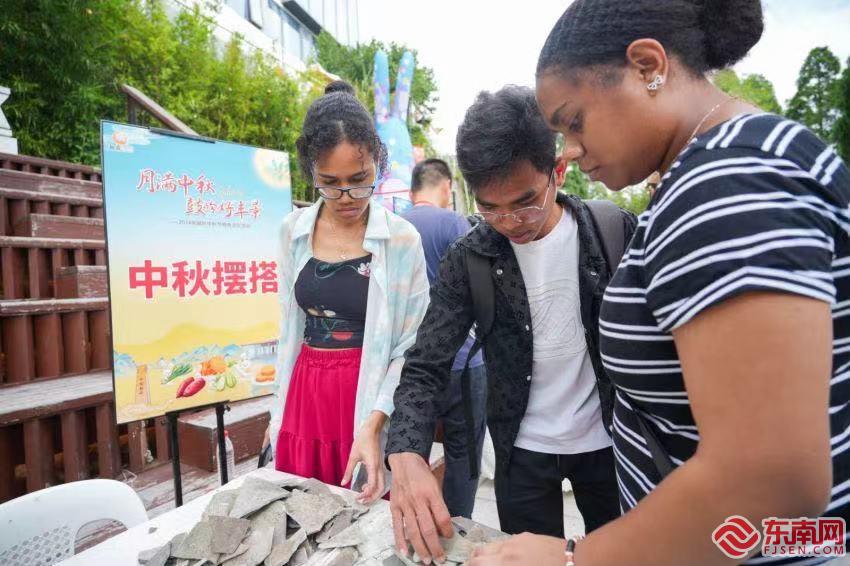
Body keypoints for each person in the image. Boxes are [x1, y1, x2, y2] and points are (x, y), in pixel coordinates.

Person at [468, 1, 850, 565]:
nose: (569, 150)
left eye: (574, 121)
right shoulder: (734, 163)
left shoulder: (726, 184)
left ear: (648, 66)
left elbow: (772, 477)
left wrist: (578, 558)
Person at [386, 85, 636, 562]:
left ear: (557, 172)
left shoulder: (610, 232)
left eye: (524, 202)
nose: (508, 221)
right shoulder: (471, 257)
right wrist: (407, 452)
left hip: (610, 442)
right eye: (489, 207)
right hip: (522, 451)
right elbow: (425, 364)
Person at [264, 80, 430, 504]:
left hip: (366, 398)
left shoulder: (401, 240)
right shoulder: (293, 232)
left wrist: (374, 426)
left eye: (360, 180)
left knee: (360, 511)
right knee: (300, 511)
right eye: (329, 183)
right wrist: (277, 414)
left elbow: (410, 349)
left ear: (378, 162)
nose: (347, 197)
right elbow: (288, 331)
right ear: (311, 174)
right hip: (306, 393)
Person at [401, 158, 487, 519]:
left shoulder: (392, 226)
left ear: (411, 191)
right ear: (447, 188)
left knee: (409, 452)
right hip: (463, 362)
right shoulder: (454, 223)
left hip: (408, 367)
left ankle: (416, 526)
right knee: (463, 455)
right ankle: (459, 530)